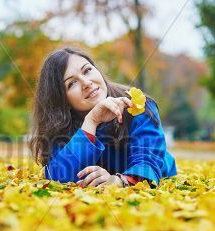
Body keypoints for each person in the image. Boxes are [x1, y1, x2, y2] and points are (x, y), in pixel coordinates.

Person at [30, 46, 177, 188]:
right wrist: (91, 122)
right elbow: (57, 176)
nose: (86, 83)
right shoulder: (61, 125)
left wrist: (119, 181)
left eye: (87, 70)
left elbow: (147, 162)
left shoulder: (137, 105)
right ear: (62, 99)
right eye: (72, 83)